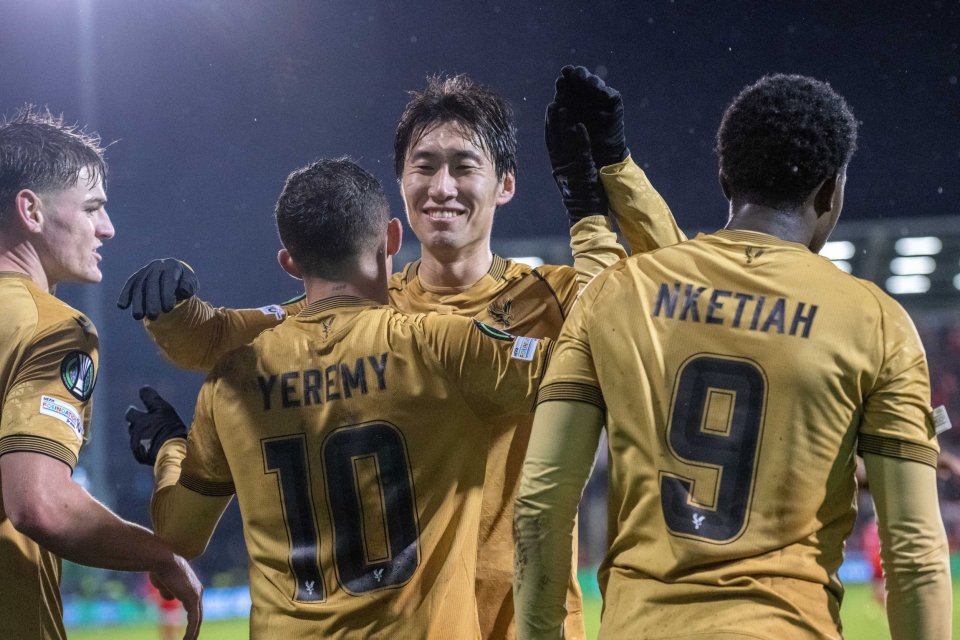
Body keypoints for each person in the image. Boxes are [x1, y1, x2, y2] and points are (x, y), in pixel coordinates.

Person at [118, 68, 686, 639]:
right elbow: (223, 337)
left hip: (524, 621)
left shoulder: (554, 297)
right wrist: (174, 310)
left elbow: (670, 298)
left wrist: (617, 166)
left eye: (464, 166)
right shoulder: (368, 310)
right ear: (400, 187)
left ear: (505, 185)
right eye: (425, 166)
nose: (442, 187)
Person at [513, 74, 952, 640]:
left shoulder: (617, 294)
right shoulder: (876, 321)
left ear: (725, 178)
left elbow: (541, 508)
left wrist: (607, 184)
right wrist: (620, 171)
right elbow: (915, 554)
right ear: (831, 191)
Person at [128, 157, 558, 638]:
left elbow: (179, 535)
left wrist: (170, 444)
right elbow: (584, 366)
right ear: (392, 239)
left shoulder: (232, 379)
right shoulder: (442, 346)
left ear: (289, 261)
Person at [0, 106, 202, 640]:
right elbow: (39, 504)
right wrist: (159, 555)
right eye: (92, 208)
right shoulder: (53, 328)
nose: (107, 229)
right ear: (32, 210)